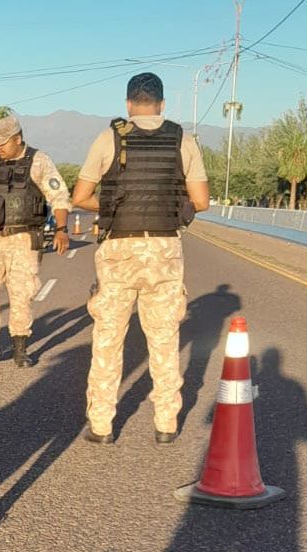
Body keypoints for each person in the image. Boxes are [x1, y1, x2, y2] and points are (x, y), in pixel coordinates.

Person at [70, 73, 210, 445]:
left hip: (119, 250)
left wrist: (115, 204)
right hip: (164, 249)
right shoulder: (184, 139)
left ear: (129, 104)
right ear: (162, 105)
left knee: (108, 341)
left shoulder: (109, 138)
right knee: (164, 341)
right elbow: (201, 201)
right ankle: (166, 423)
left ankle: (101, 425)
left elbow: (80, 197)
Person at [0, 115, 72, 368]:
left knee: (20, 293)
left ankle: (20, 348)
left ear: (18, 139)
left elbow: (59, 195)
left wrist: (62, 229)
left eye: (4, 143)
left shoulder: (39, 161)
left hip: (23, 238)